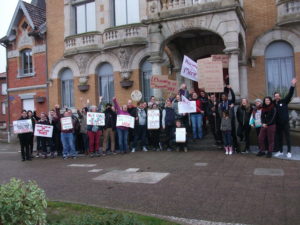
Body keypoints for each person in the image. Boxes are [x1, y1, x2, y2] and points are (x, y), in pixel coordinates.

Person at [274, 78, 297, 158]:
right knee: (279, 137)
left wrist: (292, 85)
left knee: (287, 137)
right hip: (278, 124)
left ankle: (289, 151)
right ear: (274, 97)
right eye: (275, 96)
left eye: (278, 96)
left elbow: (290, 94)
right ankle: (280, 151)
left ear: (280, 97)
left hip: (285, 123)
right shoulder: (273, 104)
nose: (277, 97)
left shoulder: (284, 101)